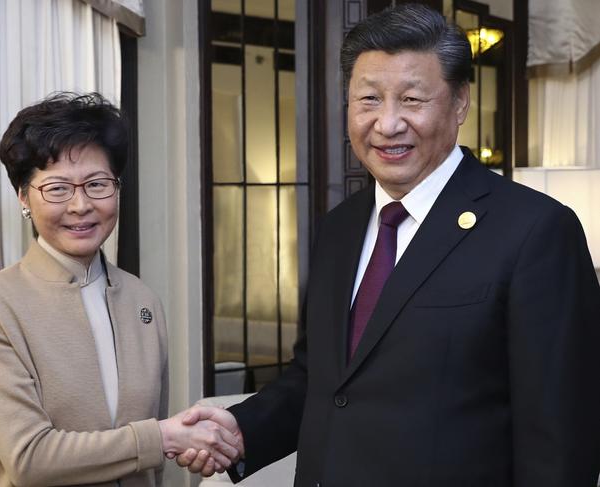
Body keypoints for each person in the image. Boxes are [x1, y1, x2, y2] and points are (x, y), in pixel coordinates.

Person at [177, 3, 600, 485]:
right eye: (369, 100)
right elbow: (324, 379)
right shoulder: (339, 228)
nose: (388, 123)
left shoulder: (536, 231)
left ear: (460, 102)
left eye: (413, 100)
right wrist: (240, 428)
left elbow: (560, 436)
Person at [0, 92, 241, 486]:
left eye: (97, 184)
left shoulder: (142, 301)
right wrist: (164, 436)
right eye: (57, 189)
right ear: (24, 197)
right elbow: (29, 458)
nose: (81, 205)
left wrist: (181, 442)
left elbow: (150, 465)